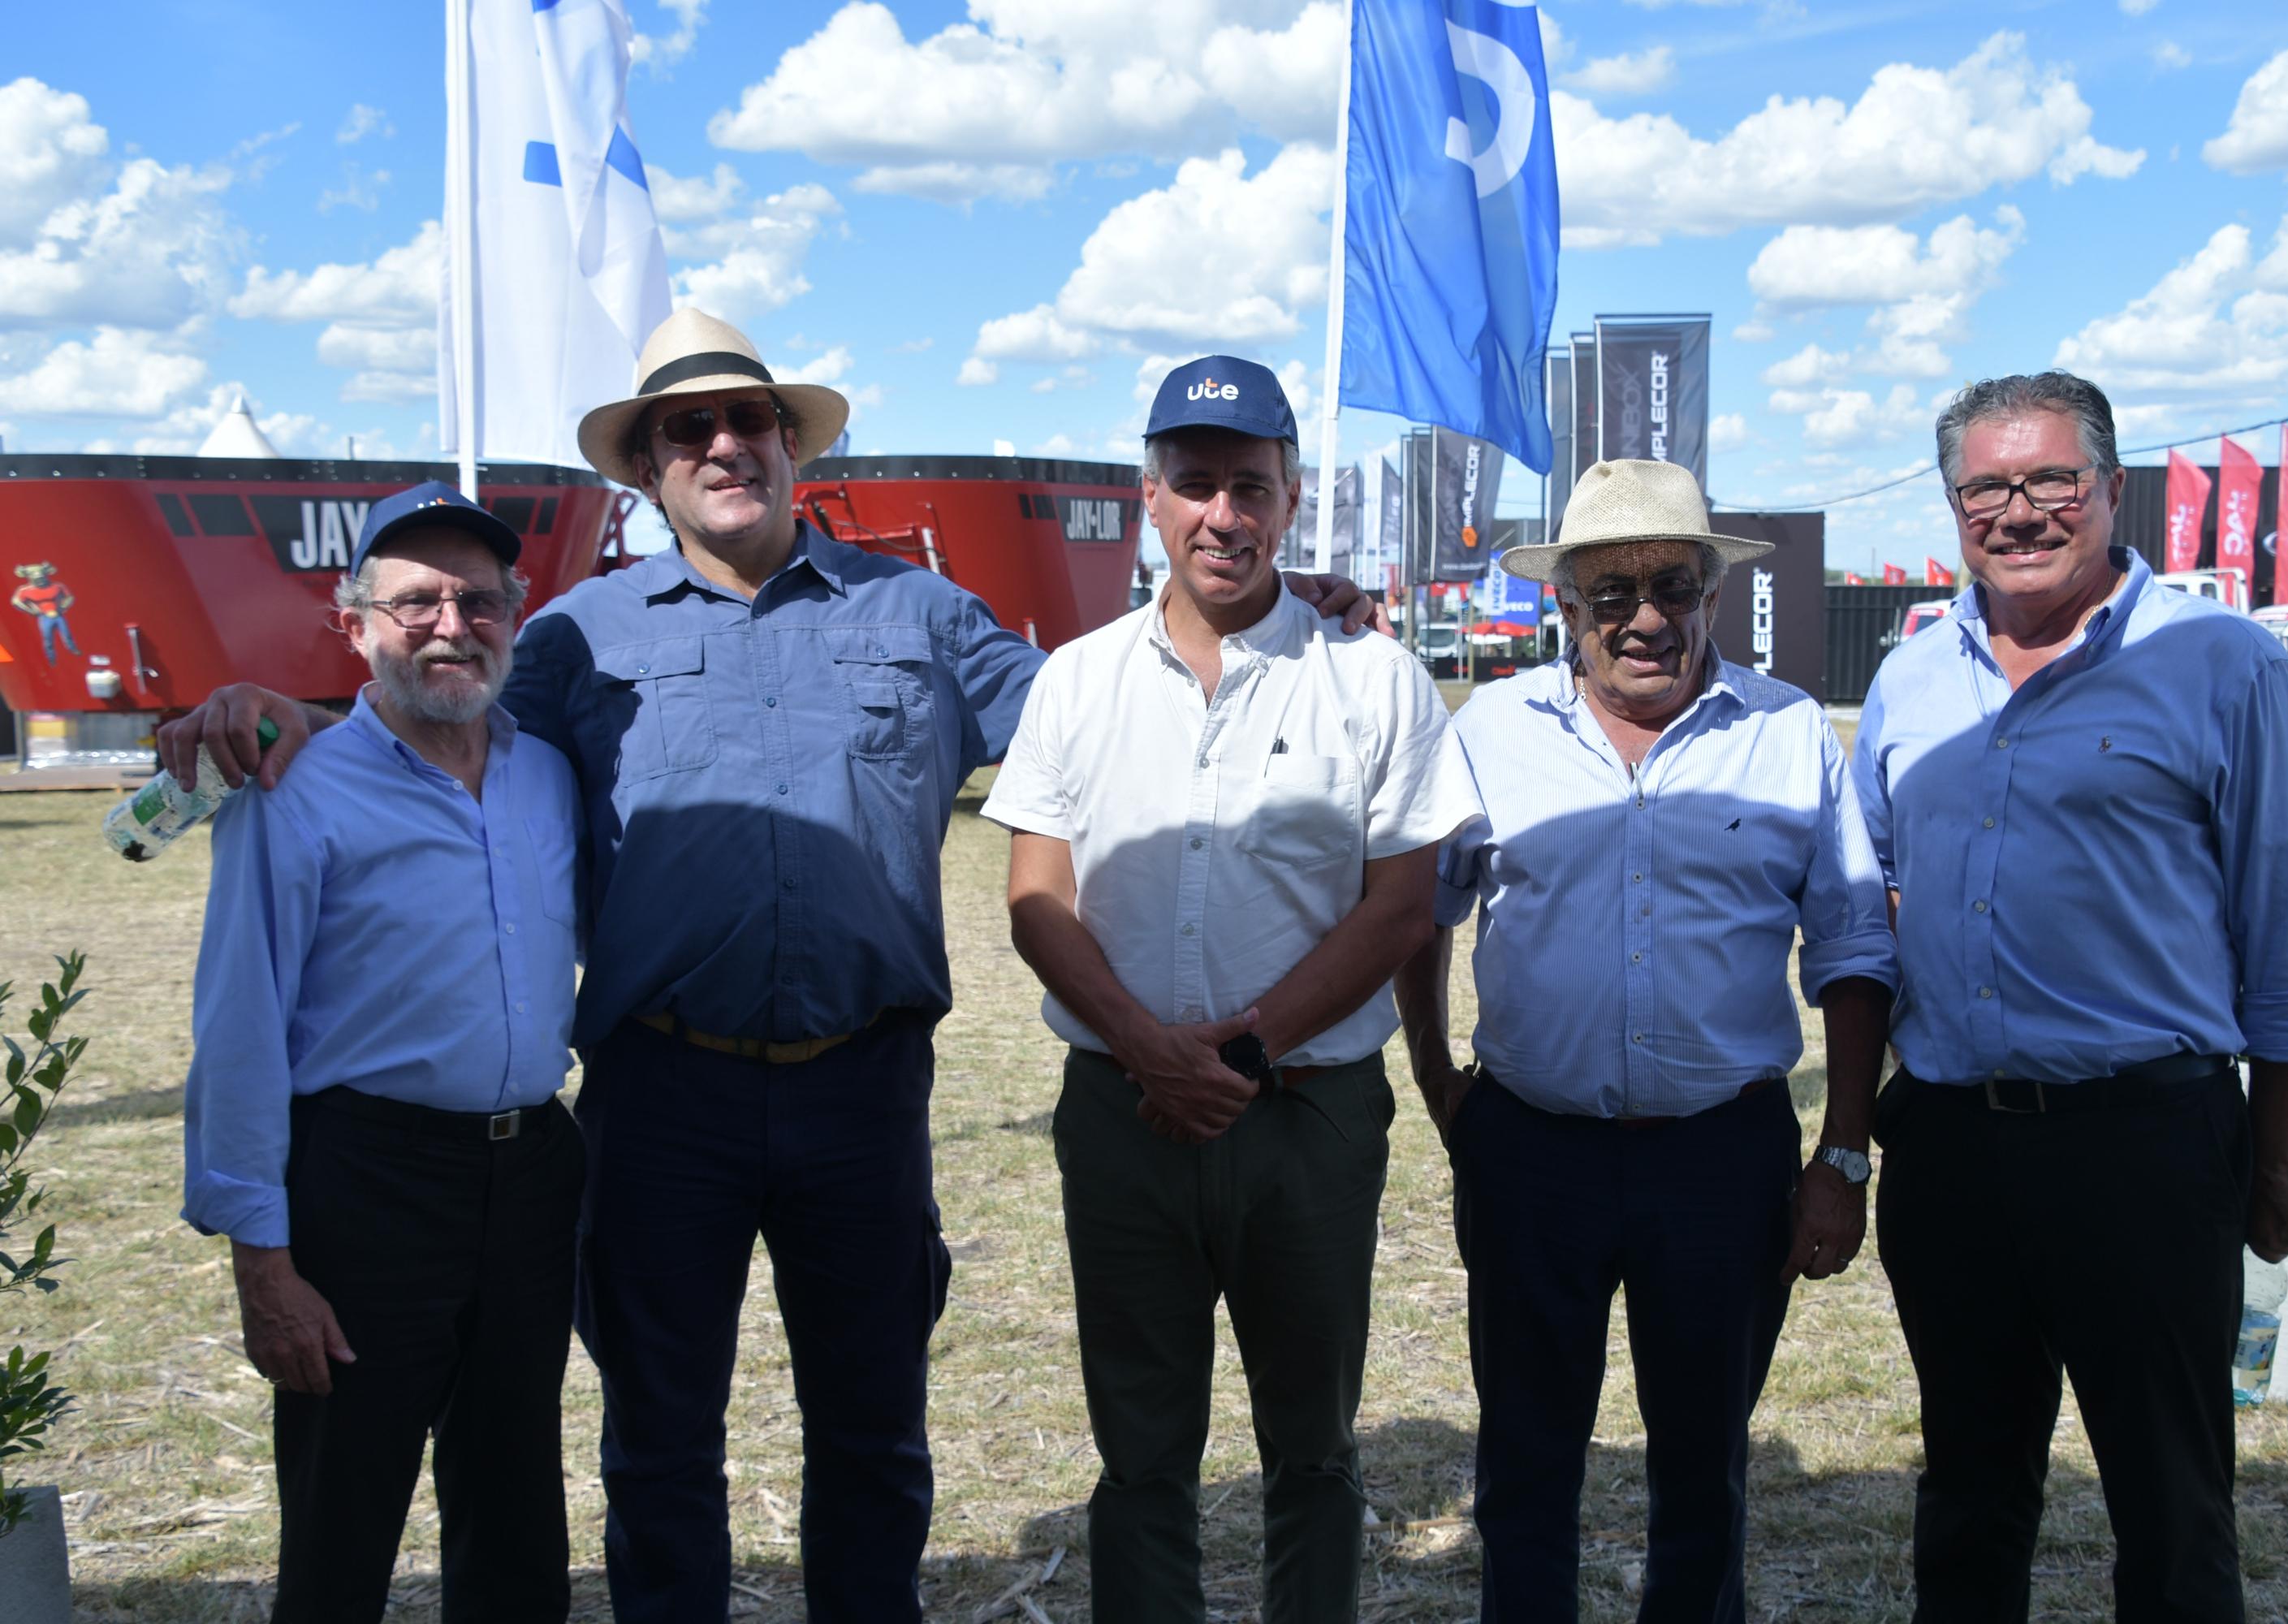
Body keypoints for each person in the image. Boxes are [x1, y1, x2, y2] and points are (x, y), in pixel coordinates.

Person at [157, 308, 1384, 1622]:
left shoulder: (920, 612)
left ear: (795, 446)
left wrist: (1256, 610)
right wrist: (284, 710)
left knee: (872, 1427)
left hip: (860, 1090)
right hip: (660, 1095)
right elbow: (434, 717)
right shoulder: (575, 636)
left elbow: (1103, 706)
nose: (726, 444)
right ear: (648, 468)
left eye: (751, 421)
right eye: (691, 428)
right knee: (660, 1434)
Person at [980, 356, 1479, 1622]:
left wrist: (1240, 1053)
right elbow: (1039, 900)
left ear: (1292, 498)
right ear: (1148, 497)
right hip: (1121, 1115)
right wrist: (1151, 1051)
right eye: (1193, 483)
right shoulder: (1078, 681)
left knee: (1312, 1446)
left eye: (1249, 485)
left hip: (1305, 1119)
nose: (1223, 513)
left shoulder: (1373, 678)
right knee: (1142, 1452)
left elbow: (1402, 907)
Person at [1855, 371, 2288, 1622]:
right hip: (1955, 1147)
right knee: (1967, 1493)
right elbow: (1872, 906)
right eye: (1986, 487)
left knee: (2173, 1505)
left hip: (2147, 1148)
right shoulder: (1911, 681)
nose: (2018, 511)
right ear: (1954, 502)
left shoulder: (2222, 664)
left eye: (2049, 480)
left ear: (2112, 489)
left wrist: (2284, 1162)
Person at [1394, 459, 1897, 1622]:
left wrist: (1846, 1154)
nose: (1648, 618)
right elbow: (1423, 912)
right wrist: (1438, 1084)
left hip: (1723, 1162)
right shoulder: (1492, 733)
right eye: (1611, 595)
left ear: (1714, 592)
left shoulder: (1788, 736)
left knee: (1705, 1466)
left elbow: (1854, 951)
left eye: (1675, 583)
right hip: (1529, 1148)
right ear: (1564, 605)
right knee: (1524, 1457)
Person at [182, 482, 586, 1622]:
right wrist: (263, 1262)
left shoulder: (545, 776)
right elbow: (243, 1025)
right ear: (350, 622)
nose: (450, 625)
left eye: (478, 600)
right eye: (414, 603)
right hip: (364, 1182)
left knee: (515, 1501)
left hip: (530, 1174)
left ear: (518, 612)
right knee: (344, 1509)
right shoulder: (291, 788)